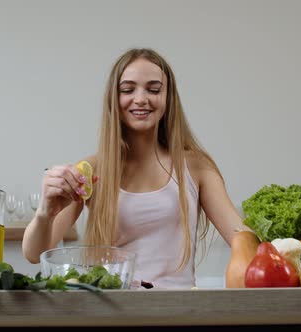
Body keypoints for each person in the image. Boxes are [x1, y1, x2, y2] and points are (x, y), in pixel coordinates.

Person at [22, 48, 259, 289]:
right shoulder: (91, 170)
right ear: (114, 98)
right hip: (114, 314)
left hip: (177, 315)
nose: (141, 99)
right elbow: (33, 253)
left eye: (154, 89)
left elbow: (243, 237)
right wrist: (45, 212)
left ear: (168, 98)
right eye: (128, 89)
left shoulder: (195, 166)